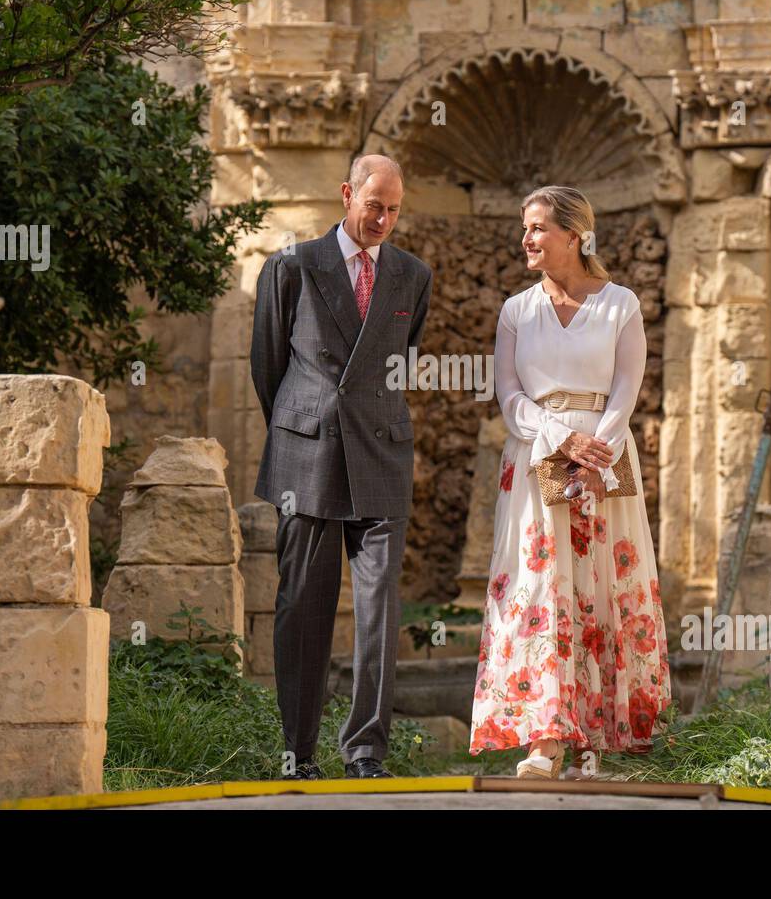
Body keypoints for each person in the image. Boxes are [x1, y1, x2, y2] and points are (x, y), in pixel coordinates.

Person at [468, 185, 671, 779]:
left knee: (602, 586)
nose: (525, 239)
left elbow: (628, 388)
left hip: (604, 459)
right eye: (524, 228)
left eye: (536, 228)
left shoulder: (621, 304)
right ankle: (544, 739)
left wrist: (596, 453)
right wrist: (561, 439)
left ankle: (597, 743)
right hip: (536, 457)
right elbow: (509, 395)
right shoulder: (516, 310)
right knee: (537, 590)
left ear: (574, 235)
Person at [250, 154, 433, 780]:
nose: (383, 219)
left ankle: (364, 753)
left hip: (381, 451)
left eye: (394, 210)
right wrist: (304, 422)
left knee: (379, 606)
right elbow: (268, 368)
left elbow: (399, 364)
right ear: (347, 194)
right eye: (374, 205)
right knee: (303, 602)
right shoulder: (292, 265)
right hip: (308, 452)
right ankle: (297, 754)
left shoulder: (413, 275)